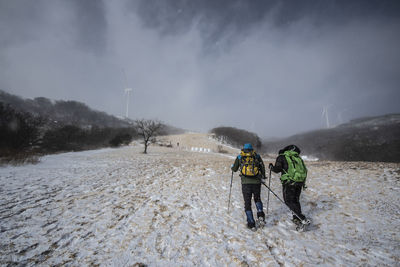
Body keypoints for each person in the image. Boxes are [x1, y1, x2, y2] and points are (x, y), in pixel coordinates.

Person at [269, 144, 309, 226]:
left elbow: (277, 169)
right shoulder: (297, 157)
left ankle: (301, 218)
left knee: (288, 201)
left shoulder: (282, 157)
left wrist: (271, 167)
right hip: (299, 182)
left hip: (289, 182)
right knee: (295, 200)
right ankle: (296, 217)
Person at [231, 143, 266, 230]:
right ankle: (260, 214)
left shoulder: (240, 157)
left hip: (245, 183)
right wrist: (263, 177)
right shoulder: (256, 156)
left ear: (243, 149)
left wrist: (232, 167)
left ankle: (251, 223)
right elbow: (262, 167)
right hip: (257, 182)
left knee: (247, 202)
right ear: (252, 149)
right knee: (257, 198)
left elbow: (234, 169)